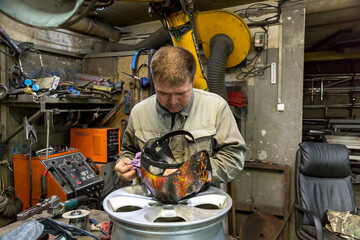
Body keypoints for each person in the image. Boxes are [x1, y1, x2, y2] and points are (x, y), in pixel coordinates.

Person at [115, 46, 245, 186]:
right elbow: (129, 150)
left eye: (181, 93)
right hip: (152, 198)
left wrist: (193, 172)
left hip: (200, 199)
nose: (173, 101)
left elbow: (233, 156)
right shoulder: (139, 112)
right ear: (154, 80)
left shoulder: (216, 108)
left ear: (193, 80)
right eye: (164, 93)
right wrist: (125, 163)